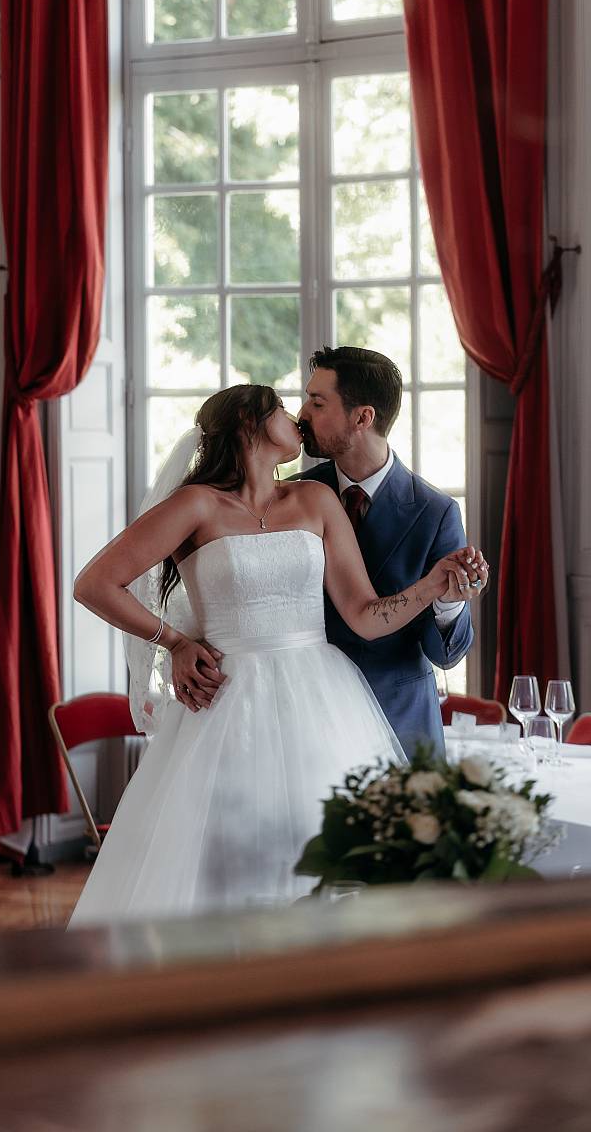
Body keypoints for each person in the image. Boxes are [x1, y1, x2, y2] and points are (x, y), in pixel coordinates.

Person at [67, 383, 479, 925]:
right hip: (228, 702)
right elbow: (95, 583)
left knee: (328, 856)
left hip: (322, 700)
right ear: (249, 421)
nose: (298, 419)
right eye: (286, 409)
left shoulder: (315, 500)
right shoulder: (196, 504)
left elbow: (363, 615)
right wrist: (176, 642)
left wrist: (433, 588)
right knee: (228, 862)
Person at [295, 346, 484, 759]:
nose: (302, 413)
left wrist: (448, 603)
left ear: (363, 417)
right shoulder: (295, 495)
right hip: (305, 721)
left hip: (397, 724)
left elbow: (447, 656)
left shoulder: (435, 512)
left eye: (317, 401)